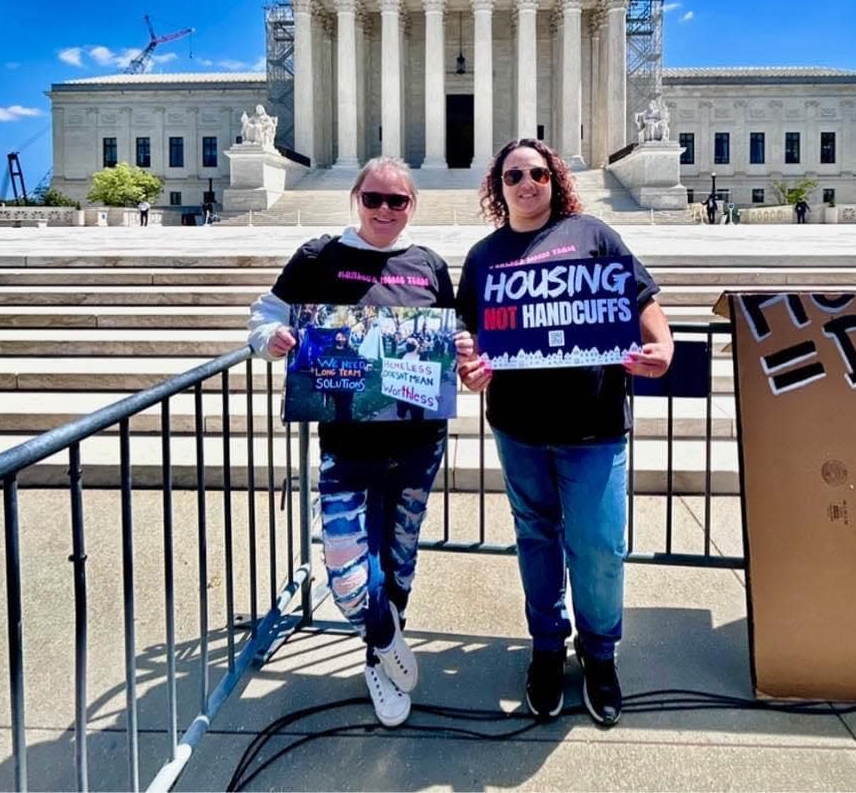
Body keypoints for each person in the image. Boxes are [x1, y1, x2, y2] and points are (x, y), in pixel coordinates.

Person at [454, 139, 674, 728]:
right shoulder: (483, 257)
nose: (527, 183)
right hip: (519, 426)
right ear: (497, 187)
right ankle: (547, 647)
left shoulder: (593, 234)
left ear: (556, 179)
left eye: (538, 172)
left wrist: (665, 344)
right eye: (513, 175)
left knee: (600, 545)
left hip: (594, 421)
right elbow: (470, 337)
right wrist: (470, 371)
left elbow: (642, 294)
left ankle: (600, 654)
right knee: (537, 539)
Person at [247, 157, 454, 728]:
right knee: (345, 567)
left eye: (398, 201)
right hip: (345, 440)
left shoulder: (429, 265)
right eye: (375, 199)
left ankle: (377, 664)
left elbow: (449, 331)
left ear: (412, 205)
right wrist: (274, 337)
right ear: (356, 199)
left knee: (400, 554)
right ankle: (384, 634)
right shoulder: (319, 257)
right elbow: (265, 313)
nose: (385, 210)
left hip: (417, 440)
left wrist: (459, 348)